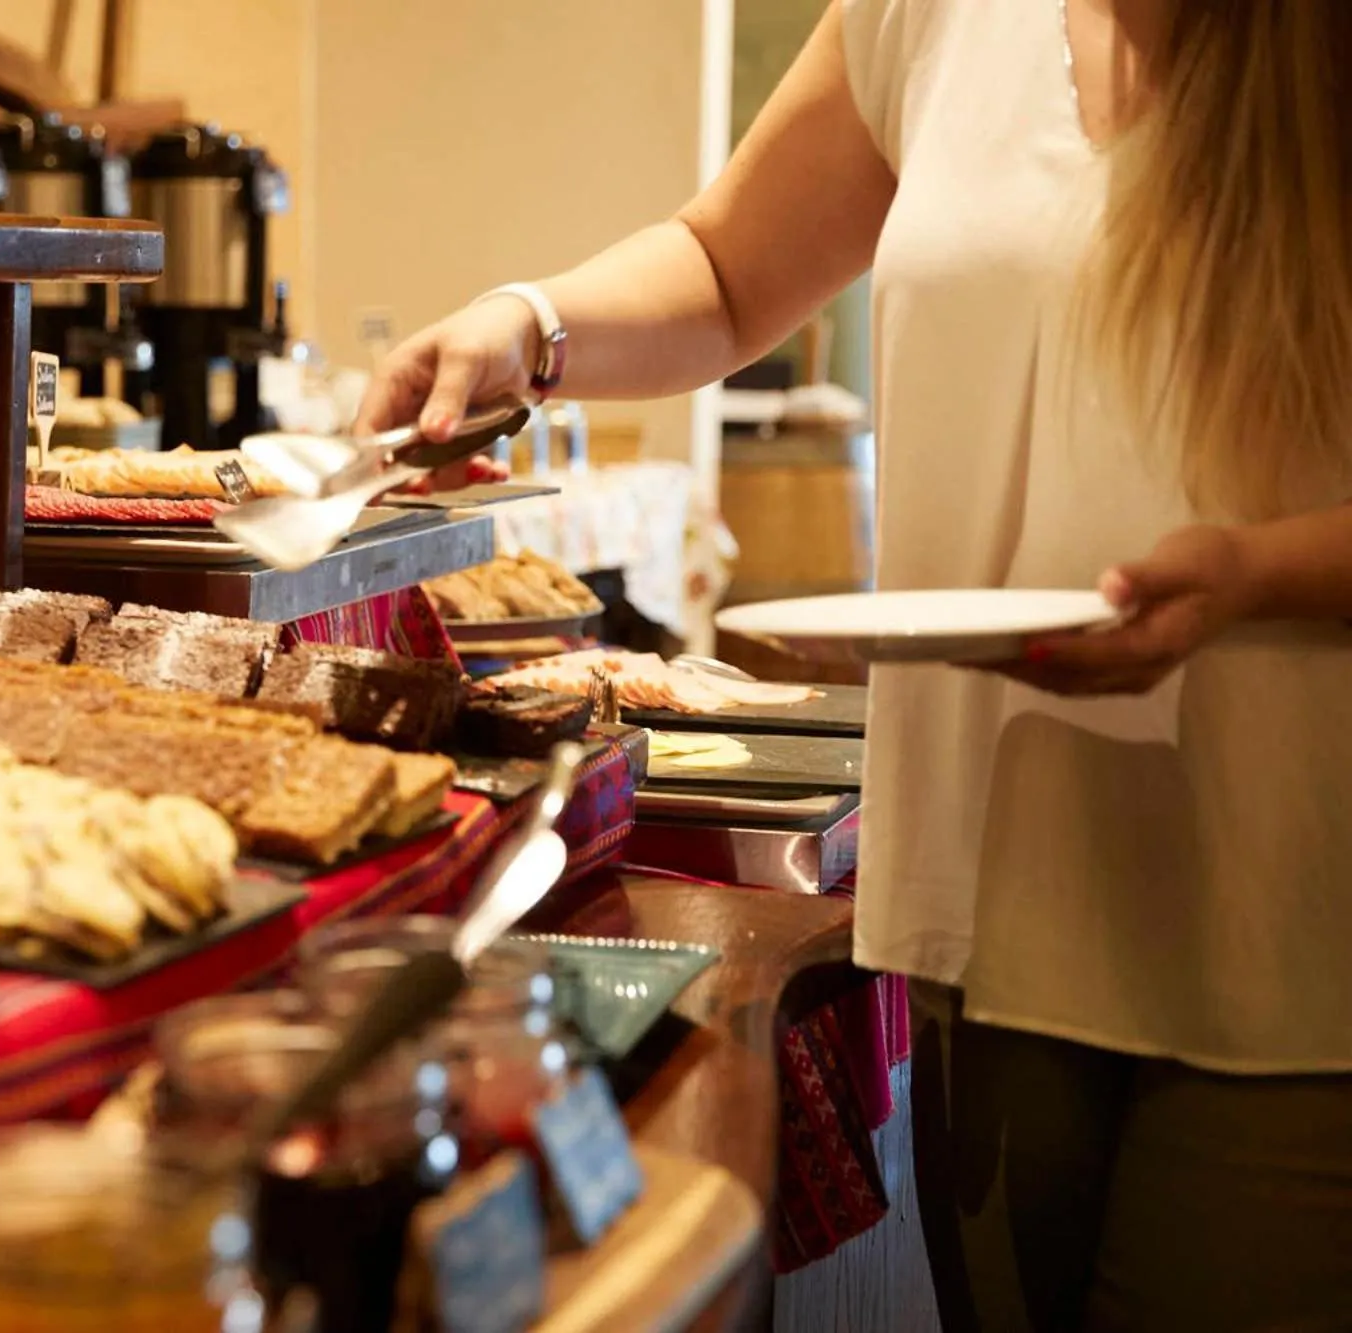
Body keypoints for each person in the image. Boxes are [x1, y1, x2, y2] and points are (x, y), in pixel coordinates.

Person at [356, 2, 1352, 1328]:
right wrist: (527, 327)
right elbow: (723, 272)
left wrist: (1254, 579)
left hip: (1291, 933)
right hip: (989, 908)